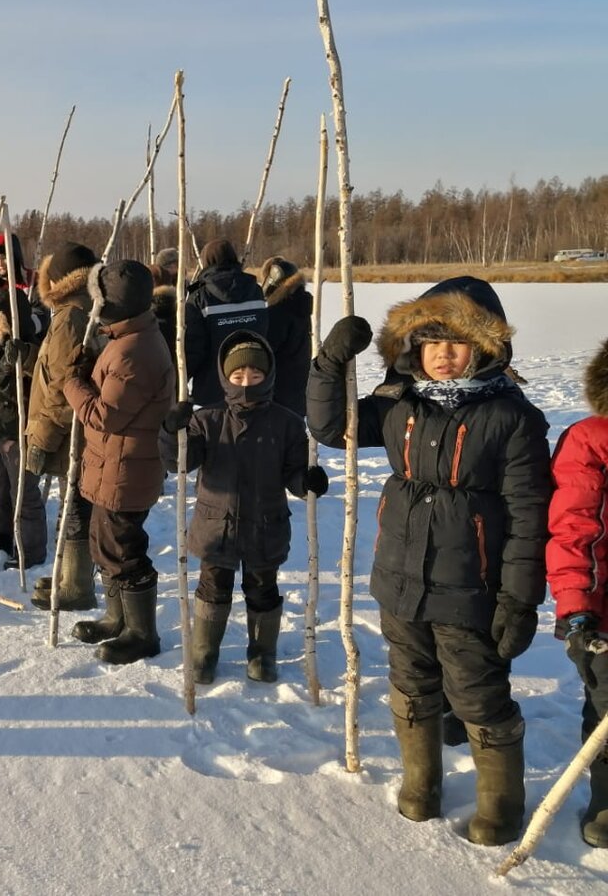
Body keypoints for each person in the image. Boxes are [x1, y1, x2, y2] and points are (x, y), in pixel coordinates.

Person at [308, 276, 551, 846]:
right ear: (412, 348)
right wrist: (330, 362)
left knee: (476, 692)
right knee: (411, 682)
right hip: (399, 579)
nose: (443, 354)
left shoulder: (512, 418)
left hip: (471, 586)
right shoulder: (399, 405)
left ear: (486, 347)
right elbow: (329, 426)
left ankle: (501, 803)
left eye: (457, 342)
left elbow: (527, 516)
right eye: (430, 341)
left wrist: (519, 598)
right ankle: (421, 781)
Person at [160, 332, 328, 683]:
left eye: (255, 375)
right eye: (238, 377)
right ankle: (204, 655)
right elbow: (179, 462)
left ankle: (262, 655)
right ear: (225, 378)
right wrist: (169, 430)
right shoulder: (208, 419)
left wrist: (308, 482)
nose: (247, 383)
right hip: (215, 524)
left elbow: (294, 473)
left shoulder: (286, 422)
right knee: (212, 587)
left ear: (268, 376)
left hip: (265, 524)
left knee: (263, 589)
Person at [64, 260, 175, 664]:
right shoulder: (126, 337)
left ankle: (142, 633)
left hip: (127, 469)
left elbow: (103, 415)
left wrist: (72, 382)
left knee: (124, 550)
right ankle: (117, 619)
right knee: (104, 544)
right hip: (112, 464)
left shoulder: (135, 351)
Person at [546, 336, 608, 849]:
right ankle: (606, 797)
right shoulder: (591, 439)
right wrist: (577, 605)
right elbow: (574, 527)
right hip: (603, 612)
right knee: (606, 708)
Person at [24, 241, 100, 610]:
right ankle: (70, 575)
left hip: (74, 432)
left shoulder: (71, 316)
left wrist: (42, 437)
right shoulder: (77, 310)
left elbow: (64, 384)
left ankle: (78, 586)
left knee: (76, 506)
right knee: (74, 504)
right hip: (75, 427)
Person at [0, 285, 47, 568]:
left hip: (20, 432)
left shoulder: (30, 351)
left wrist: (1, 380)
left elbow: (34, 396)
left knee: (24, 495)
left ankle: (30, 551)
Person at [184, 237, 267, 407]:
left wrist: (180, 381)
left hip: (212, 389)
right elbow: (264, 332)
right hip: (253, 385)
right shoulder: (256, 291)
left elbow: (193, 349)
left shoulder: (200, 298)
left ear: (206, 261)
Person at [258, 255, 314, 418]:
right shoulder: (301, 306)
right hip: (299, 386)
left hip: (279, 391)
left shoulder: (278, 312)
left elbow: (267, 351)